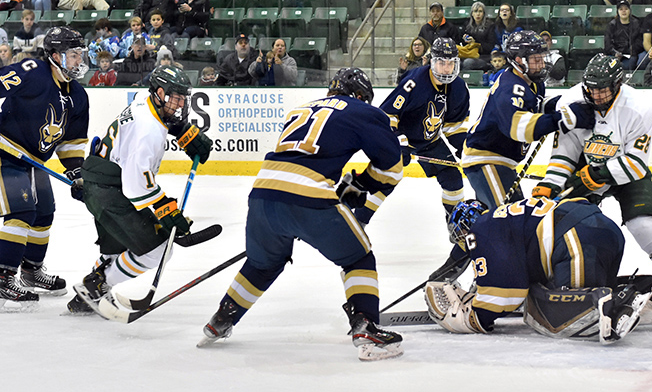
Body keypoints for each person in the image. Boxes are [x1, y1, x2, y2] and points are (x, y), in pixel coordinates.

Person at [199, 67, 404, 361]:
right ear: (359, 95)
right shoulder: (362, 110)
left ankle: (222, 318)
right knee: (358, 257)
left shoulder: (302, 108)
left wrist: (342, 185)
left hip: (262, 194)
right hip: (309, 196)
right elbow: (391, 165)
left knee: (262, 264)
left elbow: (310, 155)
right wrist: (360, 184)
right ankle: (365, 323)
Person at [68, 65, 212, 315]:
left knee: (118, 249)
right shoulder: (149, 131)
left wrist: (182, 131)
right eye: (176, 97)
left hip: (102, 179)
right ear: (160, 92)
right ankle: (98, 286)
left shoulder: (145, 100)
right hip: (111, 190)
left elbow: (150, 114)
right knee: (156, 252)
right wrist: (166, 210)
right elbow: (137, 187)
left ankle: (86, 295)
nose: (180, 104)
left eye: (182, 98)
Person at [533, 54, 652, 294]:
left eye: (603, 90)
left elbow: (635, 164)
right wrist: (551, 183)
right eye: (592, 89)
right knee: (565, 223)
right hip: (586, 167)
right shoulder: (571, 101)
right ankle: (564, 279)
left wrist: (596, 176)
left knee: (645, 227)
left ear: (617, 85)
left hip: (625, 175)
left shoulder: (638, 109)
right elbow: (566, 152)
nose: (597, 95)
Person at [424, 198, 652, 342]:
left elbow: (505, 293)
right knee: (590, 292)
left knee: (565, 317)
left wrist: (475, 316)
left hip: (574, 239)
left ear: (464, 229)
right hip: (599, 231)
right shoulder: (503, 221)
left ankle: (623, 309)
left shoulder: (481, 229)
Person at [0, 27, 89, 308]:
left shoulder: (78, 95)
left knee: (44, 212)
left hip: (34, 161)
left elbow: (71, 141)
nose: (79, 60)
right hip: (5, 152)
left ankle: (30, 271)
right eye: (73, 55)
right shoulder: (33, 71)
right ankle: (2, 278)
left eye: (80, 55)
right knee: (21, 210)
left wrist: (76, 173)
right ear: (55, 55)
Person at [463, 31, 594, 211]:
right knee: (508, 219)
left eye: (542, 58)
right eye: (535, 59)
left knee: (504, 218)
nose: (541, 64)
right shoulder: (510, 87)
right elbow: (519, 129)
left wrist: (565, 103)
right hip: (486, 160)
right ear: (518, 60)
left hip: (503, 162)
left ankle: (475, 238)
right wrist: (566, 118)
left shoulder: (532, 81)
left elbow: (536, 107)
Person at [352, 37, 469, 227]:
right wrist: (401, 142)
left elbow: (453, 126)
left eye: (450, 64)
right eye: (441, 63)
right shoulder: (414, 81)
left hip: (430, 142)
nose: (446, 69)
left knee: (453, 179)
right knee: (388, 179)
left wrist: (465, 148)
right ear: (432, 62)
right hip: (398, 138)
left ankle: (456, 226)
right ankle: (357, 224)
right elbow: (387, 114)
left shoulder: (459, 88)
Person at [604, 0, 640, 70]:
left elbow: (638, 41)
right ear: (617, 11)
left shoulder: (636, 24)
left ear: (629, 11)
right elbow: (607, 43)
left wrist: (628, 52)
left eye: (626, 9)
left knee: (627, 65)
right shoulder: (612, 25)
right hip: (614, 54)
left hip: (630, 54)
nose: (624, 11)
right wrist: (615, 53)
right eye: (621, 9)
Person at [460, 1, 494, 71]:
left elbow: (490, 46)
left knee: (468, 63)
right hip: (468, 54)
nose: (478, 14)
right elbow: (462, 44)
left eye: (480, 11)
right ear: (472, 13)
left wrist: (475, 43)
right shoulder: (467, 25)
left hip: (484, 56)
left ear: (484, 13)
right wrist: (465, 40)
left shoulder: (490, 25)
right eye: (475, 11)